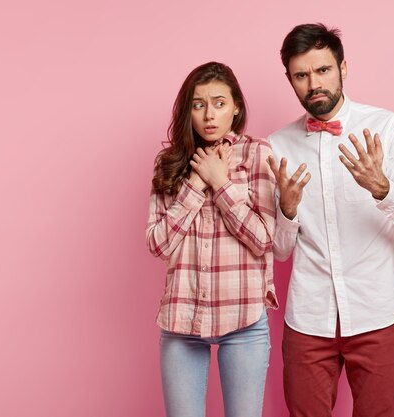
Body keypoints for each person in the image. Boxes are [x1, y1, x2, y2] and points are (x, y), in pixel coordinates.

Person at [267, 23, 394, 417]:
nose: (314, 84)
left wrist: (383, 188)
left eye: (323, 70)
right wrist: (288, 211)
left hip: (377, 310)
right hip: (309, 317)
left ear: (344, 68)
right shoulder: (277, 145)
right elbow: (279, 250)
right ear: (290, 80)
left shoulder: (388, 128)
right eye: (302, 75)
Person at [146, 61, 278, 417]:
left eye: (219, 103)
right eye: (199, 103)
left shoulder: (257, 154)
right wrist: (196, 184)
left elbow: (264, 239)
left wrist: (220, 182)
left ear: (236, 107)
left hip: (244, 321)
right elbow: (158, 244)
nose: (209, 114)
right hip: (181, 320)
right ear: (188, 109)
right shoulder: (169, 164)